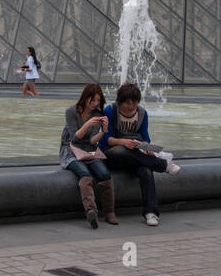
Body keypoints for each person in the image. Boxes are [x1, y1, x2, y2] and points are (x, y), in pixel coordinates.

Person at [100, 81, 180, 227]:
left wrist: (147, 147)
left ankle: (152, 213)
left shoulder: (142, 113)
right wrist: (123, 141)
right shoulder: (110, 111)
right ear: (120, 101)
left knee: (146, 171)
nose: (131, 107)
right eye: (127, 103)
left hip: (135, 156)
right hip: (112, 155)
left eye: (134, 103)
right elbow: (106, 139)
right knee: (123, 150)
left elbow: (145, 137)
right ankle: (163, 165)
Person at [61, 84, 114, 229]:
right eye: (93, 100)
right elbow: (74, 138)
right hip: (71, 150)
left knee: (105, 174)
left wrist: (104, 131)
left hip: (89, 150)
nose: (96, 104)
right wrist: (87, 124)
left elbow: (91, 141)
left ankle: (109, 212)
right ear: (85, 98)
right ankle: (91, 211)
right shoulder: (71, 112)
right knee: (85, 174)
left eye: (98, 101)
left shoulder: (97, 114)